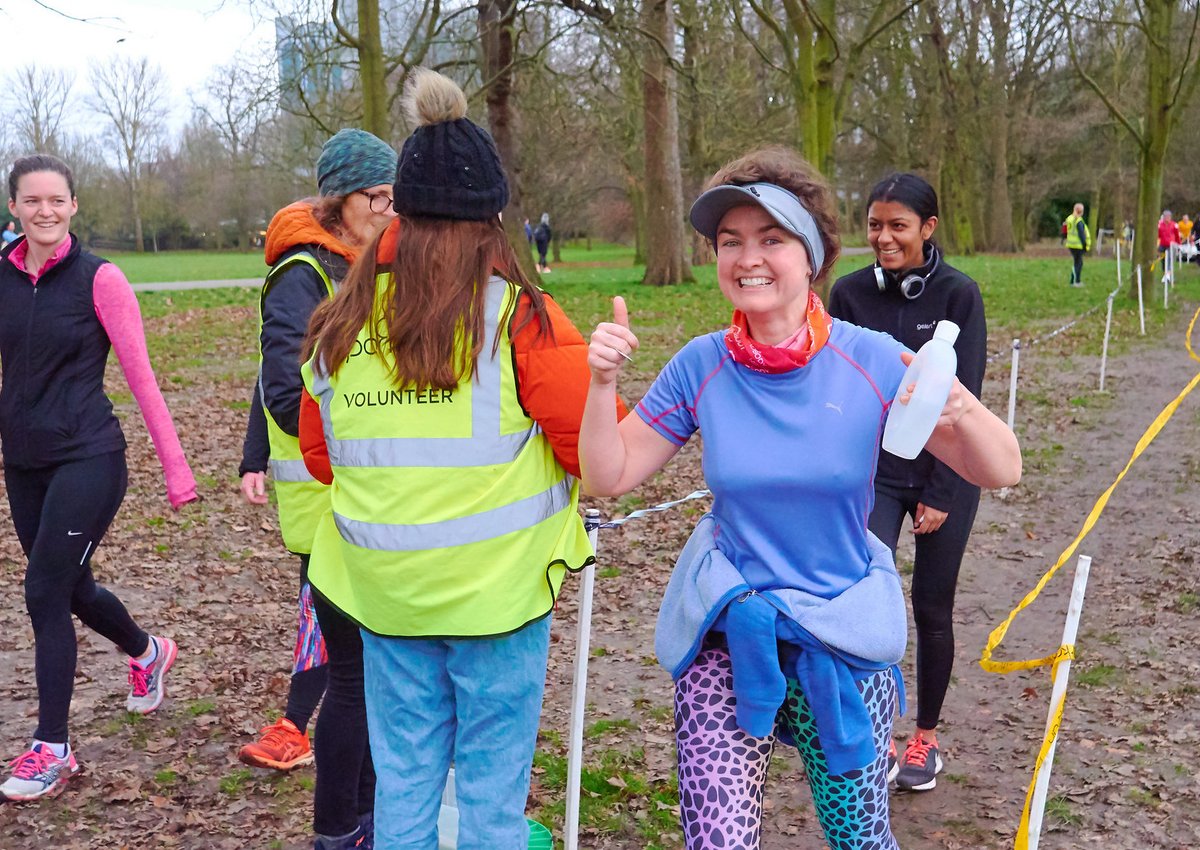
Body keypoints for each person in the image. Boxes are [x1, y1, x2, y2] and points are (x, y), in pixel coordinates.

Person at [579, 146, 1021, 850]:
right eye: (730, 242)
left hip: (840, 630)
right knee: (716, 843)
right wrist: (600, 386)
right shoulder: (702, 363)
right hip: (731, 629)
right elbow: (609, 474)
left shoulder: (871, 358)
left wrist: (958, 406)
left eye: (771, 239)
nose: (747, 258)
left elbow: (1002, 468)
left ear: (811, 254)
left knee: (859, 838)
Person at [298, 68, 619, 849]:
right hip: (498, 600)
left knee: (404, 783)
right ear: (494, 216)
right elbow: (591, 453)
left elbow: (319, 455)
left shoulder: (339, 322)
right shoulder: (522, 318)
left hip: (385, 598)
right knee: (489, 790)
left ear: (397, 210)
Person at [0, 154, 198, 801]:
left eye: (56, 200)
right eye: (32, 201)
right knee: (69, 586)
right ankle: (147, 653)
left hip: (90, 457)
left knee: (42, 592)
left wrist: (175, 467)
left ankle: (51, 749)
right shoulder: (1, 278)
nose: (45, 211)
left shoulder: (100, 279)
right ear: (14, 208)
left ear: (74, 205)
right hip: (25, 461)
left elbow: (141, 377)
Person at [240, 129, 397, 849]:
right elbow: (280, 388)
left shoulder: (362, 262)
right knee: (356, 675)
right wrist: (359, 447)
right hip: (327, 505)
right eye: (380, 198)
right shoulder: (303, 272)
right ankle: (341, 831)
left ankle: (368, 819)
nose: (392, 211)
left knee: (374, 674)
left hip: (370, 500)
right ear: (343, 200)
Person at [828, 172, 987, 793]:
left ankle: (925, 737)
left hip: (946, 471)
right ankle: (876, 735)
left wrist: (943, 490)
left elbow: (965, 397)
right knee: (868, 601)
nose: (884, 238)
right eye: (874, 225)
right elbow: (837, 389)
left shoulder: (958, 295)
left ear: (928, 228)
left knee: (930, 606)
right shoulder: (846, 294)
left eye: (898, 226)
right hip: (877, 475)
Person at [1062, 202, 1090, 287]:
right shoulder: (1078, 221)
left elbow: (1064, 230)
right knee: (1078, 263)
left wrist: (1064, 238)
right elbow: (1082, 234)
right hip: (1078, 245)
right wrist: (1085, 245)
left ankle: (1075, 281)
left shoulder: (1069, 218)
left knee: (1077, 262)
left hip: (1071, 244)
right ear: (1081, 211)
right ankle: (1074, 281)